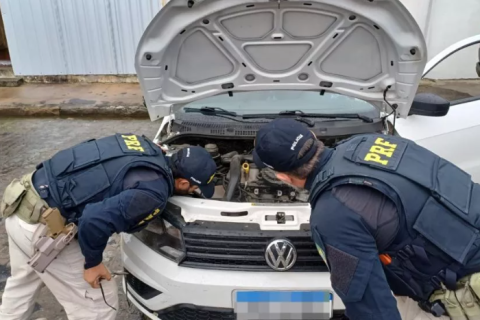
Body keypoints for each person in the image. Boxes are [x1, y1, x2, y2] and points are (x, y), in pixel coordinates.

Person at [252, 118, 480, 320]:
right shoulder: (371, 141)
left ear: (282, 177)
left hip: (468, 289)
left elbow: (372, 310)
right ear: (314, 137)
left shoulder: (332, 216)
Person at [0, 133, 217, 320]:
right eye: (194, 189)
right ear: (183, 183)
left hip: (22, 202)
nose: (193, 193)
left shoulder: (145, 146)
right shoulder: (153, 194)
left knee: (22, 286)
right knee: (99, 305)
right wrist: (92, 264)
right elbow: (93, 220)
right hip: (43, 229)